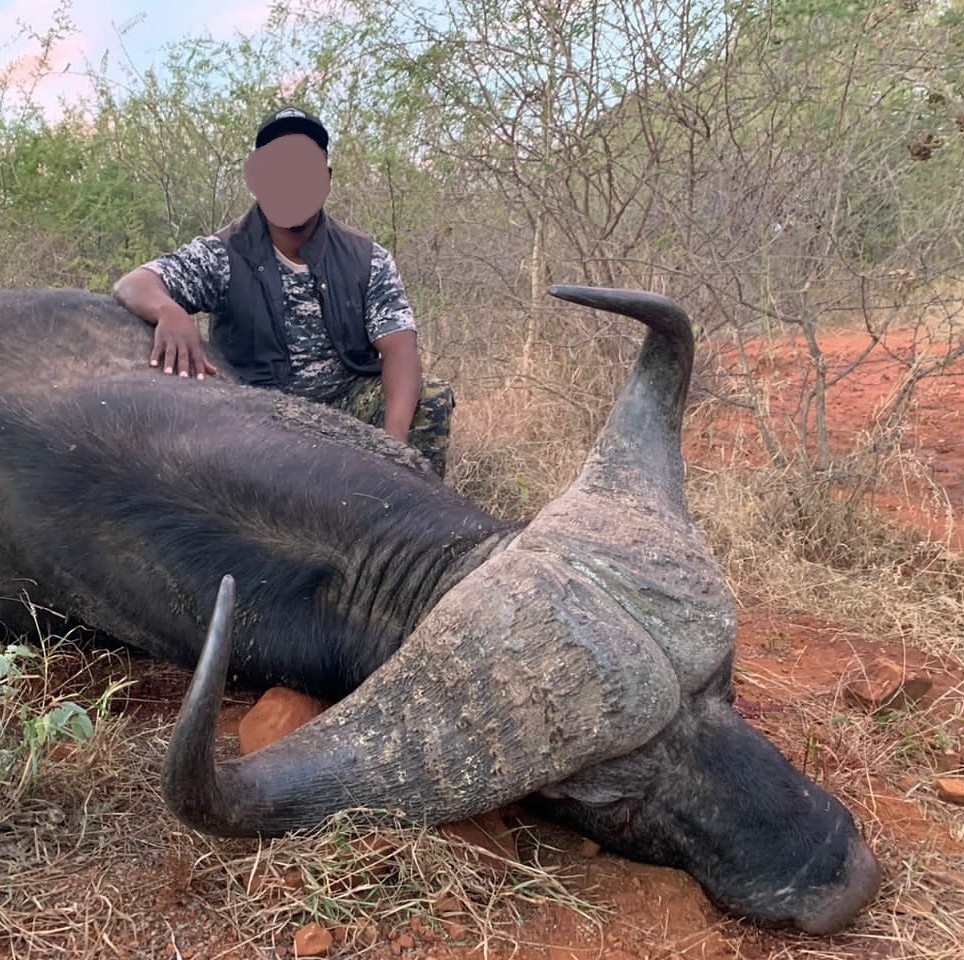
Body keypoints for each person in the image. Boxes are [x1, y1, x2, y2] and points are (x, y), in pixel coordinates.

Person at [113, 106, 453, 478]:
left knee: (430, 398)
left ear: (326, 179)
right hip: (255, 412)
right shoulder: (223, 253)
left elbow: (400, 348)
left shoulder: (366, 258)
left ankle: (405, 501)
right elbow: (134, 284)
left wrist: (393, 446)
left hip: (343, 405)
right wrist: (169, 312)